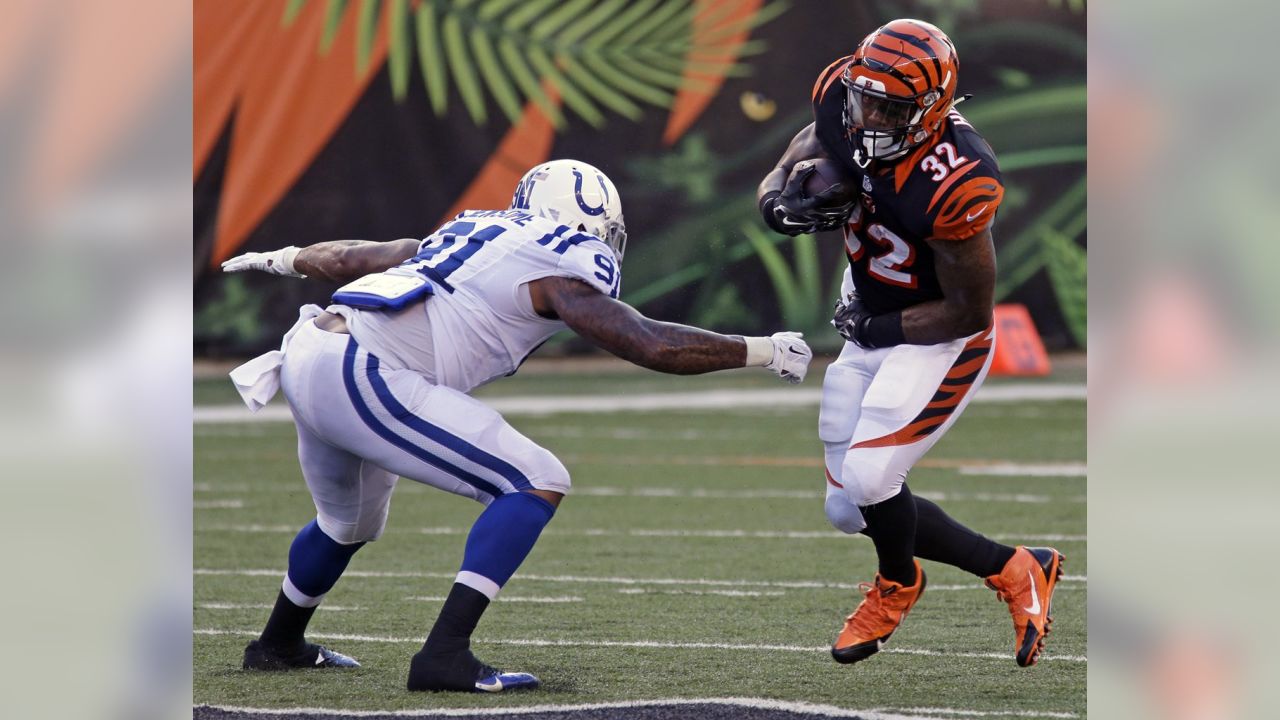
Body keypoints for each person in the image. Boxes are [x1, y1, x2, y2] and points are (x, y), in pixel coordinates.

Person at [219, 159, 813, 692]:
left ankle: (276, 646)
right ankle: (443, 655)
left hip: (309, 351)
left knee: (347, 521)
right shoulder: (561, 263)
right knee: (535, 478)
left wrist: (285, 257)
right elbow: (649, 343)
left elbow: (358, 257)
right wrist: (760, 349)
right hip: (364, 369)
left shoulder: (478, 228)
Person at [756, 19, 1063, 668]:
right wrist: (774, 192)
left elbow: (967, 309)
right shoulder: (845, 96)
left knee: (871, 477)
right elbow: (814, 136)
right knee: (846, 508)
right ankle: (1015, 566)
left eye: (889, 109)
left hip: (934, 335)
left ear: (930, 110)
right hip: (869, 309)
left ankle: (897, 583)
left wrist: (873, 328)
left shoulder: (957, 179)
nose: (866, 117)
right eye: (864, 99)